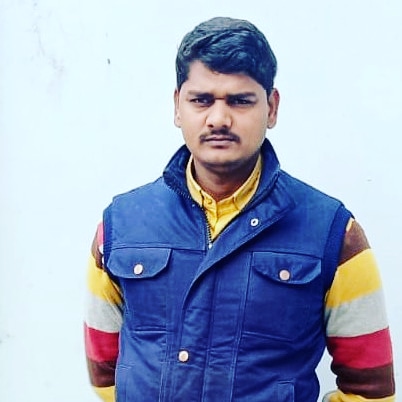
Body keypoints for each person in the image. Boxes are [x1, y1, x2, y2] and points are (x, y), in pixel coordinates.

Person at [84, 17, 395, 402]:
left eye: (240, 100)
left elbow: (370, 389)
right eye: (201, 100)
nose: (219, 119)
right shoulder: (121, 225)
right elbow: (105, 370)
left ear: (272, 108)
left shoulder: (334, 233)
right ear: (177, 106)